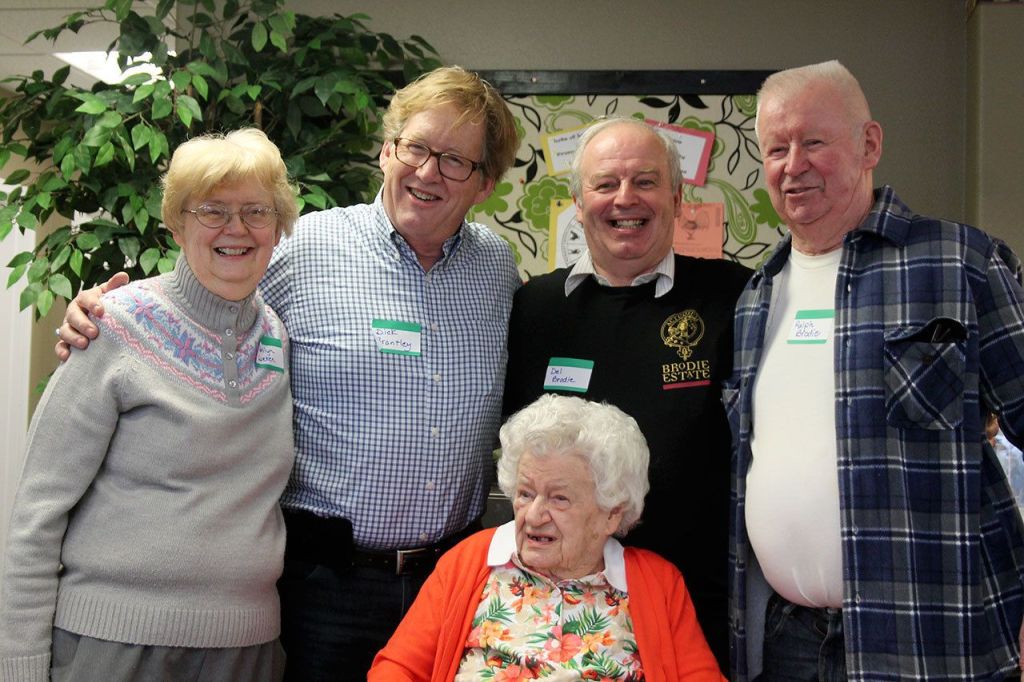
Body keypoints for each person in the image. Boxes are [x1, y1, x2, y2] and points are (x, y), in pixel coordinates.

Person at [55, 66, 521, 679]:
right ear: (387, 150)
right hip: (320, 586)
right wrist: (103, 308)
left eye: (455, 161)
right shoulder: (303, 248)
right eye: (416, 147)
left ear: (485, 183)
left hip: (452, 584)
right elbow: (196, 303)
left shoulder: (498, 273)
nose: (428, 172)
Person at [726, 59, 1024, 680]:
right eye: (776, 148)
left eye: (813, 141)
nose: (792, 164)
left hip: (933, 639)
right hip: (787, 642)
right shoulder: (758, 293)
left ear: (869, 144)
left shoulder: (961, 263)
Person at [0, 129, 298, 682]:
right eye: (212, 210)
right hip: (113, 648)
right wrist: (18, 665)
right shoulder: (112, 324)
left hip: (247, 650)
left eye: (257, 210)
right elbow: (38, 512)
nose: (236, 228)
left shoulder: (275, 336)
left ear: (279, 226)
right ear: (177, 223)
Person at [502, 116, 751, 669]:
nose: (625, 199)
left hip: (690, 602)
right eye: (605, 184)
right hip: (555, 605)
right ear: (577, 199)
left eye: (645, 181)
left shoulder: (731, 297)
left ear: (677, 195)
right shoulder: (536, 310)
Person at [368, 394, 725, 681]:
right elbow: (396, 668)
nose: (534, 515)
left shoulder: (657, 583)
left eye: (559, 499)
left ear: (612, 514)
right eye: (525, 493)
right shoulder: (470, 561)